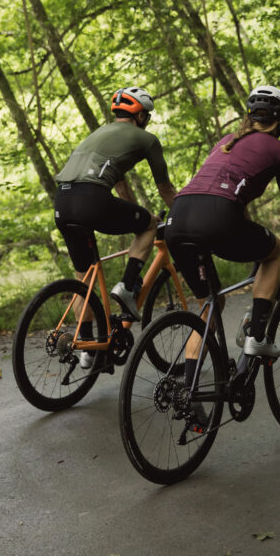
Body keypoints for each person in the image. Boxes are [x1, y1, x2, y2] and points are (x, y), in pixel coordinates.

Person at [165, 85, 280, 364]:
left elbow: (226, 198)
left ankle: (187, 388)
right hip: (217, 217)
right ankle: (256, 336)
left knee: (210, 306)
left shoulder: (227, 140)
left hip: (178, 217)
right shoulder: (279, 150)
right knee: (274, 250)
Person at [54, 86, 177, 366]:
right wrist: (182, 213)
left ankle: (87, 348)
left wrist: (138, 213)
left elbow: (120, 186)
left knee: (83, 278)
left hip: (63, 201)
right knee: (148, 227)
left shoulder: (99, 134)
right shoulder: (146, 138)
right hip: (91, 199)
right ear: (141, 115)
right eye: (147, 115)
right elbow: (166, 189)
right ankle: (128, 286)